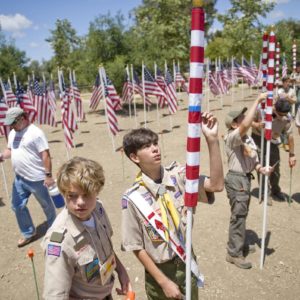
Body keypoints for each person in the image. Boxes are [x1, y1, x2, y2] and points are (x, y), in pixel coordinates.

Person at [121, 112, 224, 300]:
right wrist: (163, 282)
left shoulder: (179, 176)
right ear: (135, 157)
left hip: (185, 262)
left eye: (155, 143)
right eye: (146, 146)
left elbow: (216, 185)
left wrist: (212, 140)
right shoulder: (133, 198)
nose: (154, 149)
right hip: (160, 272)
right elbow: (136, 246)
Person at [41, 157, 131, 300]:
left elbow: (106, 248)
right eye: (72, 196)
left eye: (87, 195)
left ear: (97, 191)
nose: (80, 203)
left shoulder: (98, 209)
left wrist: (121, 271)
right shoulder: (60, 242)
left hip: (105, 292)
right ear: (64, 193)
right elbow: (55, 295)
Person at [224, 93, 273, 269]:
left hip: (245, 179)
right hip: (236, 180)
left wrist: (261, 169)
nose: (245, 118)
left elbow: (254, 159)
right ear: (234, 124)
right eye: (241, 117)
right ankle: (234, 253)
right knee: (238, 216)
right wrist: (257, 100)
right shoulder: (231, 137)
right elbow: (246, 125)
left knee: (242, 214)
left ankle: (239, 243)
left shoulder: (247, 138)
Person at [0, 107, 56, 247]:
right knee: (17, 206)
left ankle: (55, 228)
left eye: (13, 122)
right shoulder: (13, 133)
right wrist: (2, 155)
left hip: (37, 179)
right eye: (10, 124)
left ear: (23, 118)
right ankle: (28, 233)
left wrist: (48, 176)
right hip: (20, 178)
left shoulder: (36, 133)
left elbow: (45, 155)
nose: (11, 126)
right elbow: (10, 150)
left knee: (46, 205)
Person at [251, 99, 296, 204]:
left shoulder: (287, 117)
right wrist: (257, 125)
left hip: (273, 141)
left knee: (275, 166)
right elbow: (248, 121)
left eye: (283, 115)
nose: (281, 117)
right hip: (259, 138)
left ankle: (276, 190)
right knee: (262, 166)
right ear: (274, 107)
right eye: (279, 114)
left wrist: (292, 154)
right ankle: (264, 193)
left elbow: (290, 136)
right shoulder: (261, 109)